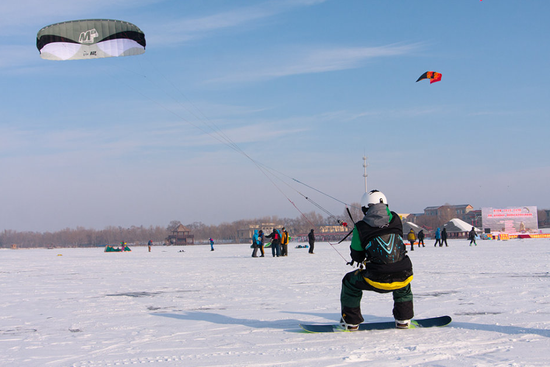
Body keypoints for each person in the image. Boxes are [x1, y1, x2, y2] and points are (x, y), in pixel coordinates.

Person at [340, 189, 414, 330]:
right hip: (403, 274)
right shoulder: (396, 219)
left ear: (365, 208)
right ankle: (403, 319)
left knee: (349, 282)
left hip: (376, 278)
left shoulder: (361, 227)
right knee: (403, 282)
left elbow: (356, 256)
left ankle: (351, 322)